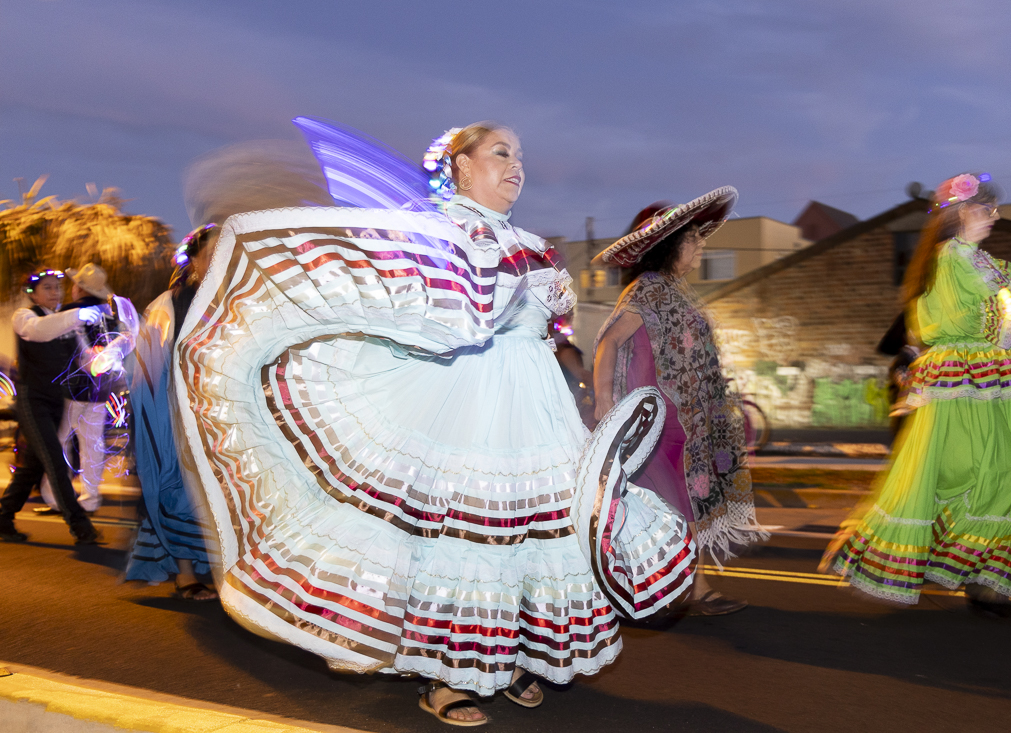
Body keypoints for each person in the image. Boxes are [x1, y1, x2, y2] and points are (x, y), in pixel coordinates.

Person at [171, 119, 695, 727]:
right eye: (501, 152)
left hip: (534, 403)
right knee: (455, 537)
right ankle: (445, 677)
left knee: (534, 533)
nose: (516, 163)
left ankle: (512, 657)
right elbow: (424, 311)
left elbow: (550, 334)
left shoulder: (536, 243)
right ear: (462, 166)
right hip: (458, 397)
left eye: (520, 154)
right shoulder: (433, 234)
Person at [822, 173, 1011, 617]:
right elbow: (964, 320)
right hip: (962, 384)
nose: (996, 216)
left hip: (998, 384)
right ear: (961, 212)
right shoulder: (949, 260)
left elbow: (1010, 330)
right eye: (988, 208)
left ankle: (989, 583)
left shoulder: (990, 264)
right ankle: (946, 564)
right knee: (963, 474)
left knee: (1005, 479)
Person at [592, 190, 769, 616]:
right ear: (669, 245)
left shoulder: (678, 291)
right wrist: (603, 402)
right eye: (693, 239)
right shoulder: (648, 290)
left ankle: (674, 587)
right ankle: (687, 588)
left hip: (690, 422)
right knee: (674, 507)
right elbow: (609, 341)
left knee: (682, 505)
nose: (701, 245)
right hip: (662, 424)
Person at [123, 226, 218, 602]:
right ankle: (185, 574)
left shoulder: (240, 300)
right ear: (193, 261)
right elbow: (149, 368)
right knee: (179, 491)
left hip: (223, 418)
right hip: (180, 417)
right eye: (211, 253)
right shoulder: (170, 304)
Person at [0, 268, 104, 544]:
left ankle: (3, 517)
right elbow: (39, 331)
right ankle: (80, 525)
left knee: (32, 466)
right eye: (47, 287)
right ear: (32, 293)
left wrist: (107, 357)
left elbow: (85, 359)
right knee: (56, 462)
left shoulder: (68, 323)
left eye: (57, 287)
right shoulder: (25, 317)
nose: (55, 292)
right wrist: (77, 315)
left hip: (58, 401)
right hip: (32, 400)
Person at [39, 264, 123, 514]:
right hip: (100, 389)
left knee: (61, 441)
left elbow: (57, 349)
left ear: (78, 288)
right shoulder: (109, 315)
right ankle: (90, 498)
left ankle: (56, 497)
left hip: (72, 389)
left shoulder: (69, 312)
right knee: (93, 444)